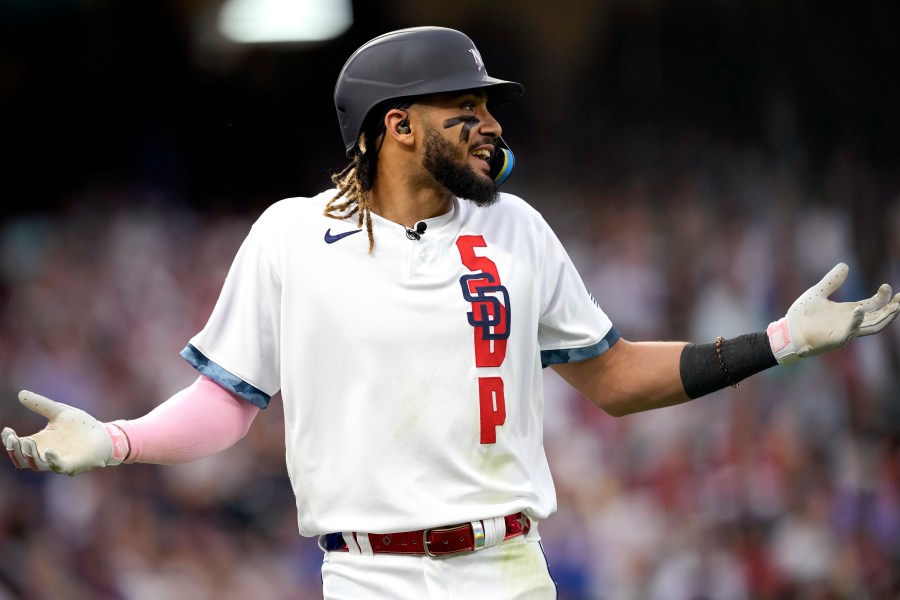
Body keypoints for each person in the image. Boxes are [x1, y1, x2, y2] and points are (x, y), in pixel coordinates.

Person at [3, 26, 899, 599]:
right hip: (369, 576)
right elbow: (230, 404)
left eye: (487, 108)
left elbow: (617, 377)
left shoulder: (517, 229)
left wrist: (778, 342)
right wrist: (116, 440)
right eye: (463, 108)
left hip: (509, 570)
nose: (488, 125)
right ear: (395, 126)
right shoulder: (287, 236)